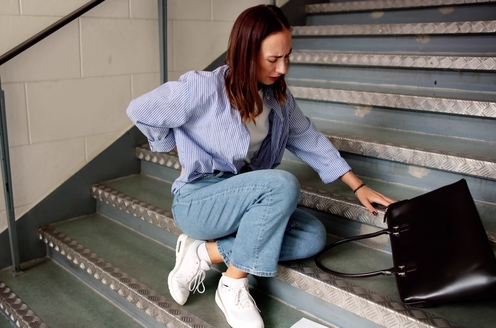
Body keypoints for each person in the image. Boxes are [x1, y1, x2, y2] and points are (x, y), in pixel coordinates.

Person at [127, 4, 396, 328]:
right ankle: (233, 285)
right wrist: (171, 149)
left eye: (287, 57)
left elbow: (308, 138)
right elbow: (141, 109)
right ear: (246, 53)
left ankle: (203, 255)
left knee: (312, 236)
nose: (283, 68)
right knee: (282, 183)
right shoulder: (204, 87)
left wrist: (358, 186)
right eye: (273, 59)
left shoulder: (278, 99)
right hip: (200, 199)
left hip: (247, 199)